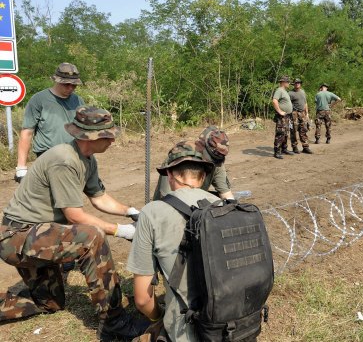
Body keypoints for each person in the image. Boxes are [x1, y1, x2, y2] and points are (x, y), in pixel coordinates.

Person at [0, 106, 148, 341]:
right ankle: (114, 320)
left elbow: (98, 197)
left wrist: (130, 212)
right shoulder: (64, 160)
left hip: (40, 236)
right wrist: (121, 231)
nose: (112, 140)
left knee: (51, 304)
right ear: (90, 138)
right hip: (18, 237)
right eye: (107, 135)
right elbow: (75, 216)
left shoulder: (86, 158)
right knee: (91, 237)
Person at [127, 141, 219, 342]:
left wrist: (159, 318)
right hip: (232, 321)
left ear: (169, 175)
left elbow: (142, 300)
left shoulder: (152, 212)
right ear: (203, 177)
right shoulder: (223, 206)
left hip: (188, 331)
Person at [15, 62, 85, 183]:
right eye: (67, 84)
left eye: (74, 85)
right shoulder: (39, 99)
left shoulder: (78, 100)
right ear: (57, 80)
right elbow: (27, 132)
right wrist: (21, 168)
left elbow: (83, 128)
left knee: (70, 191)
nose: (70, 88)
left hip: (73, 153)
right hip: (48, 153)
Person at [153, 125, 234, 200]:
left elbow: (226, 194)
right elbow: (168, 197)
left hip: (195, 204)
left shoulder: (217, 162)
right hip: (171, 202)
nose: (212, 162)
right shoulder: (181, 156)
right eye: (209, 158)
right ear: (201, 146)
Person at [288, 78, 313, 154]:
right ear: (294, 84)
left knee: (303, 130)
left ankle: (305, 147)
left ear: (300, 84)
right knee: (293, 131)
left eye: (299, 83)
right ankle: (294, 147)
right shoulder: (290, 93)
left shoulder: (303, 92)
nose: (297, 84)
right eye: (296, 83)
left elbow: (305, 103)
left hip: (302, 114)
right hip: (294, 114)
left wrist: (307, 113)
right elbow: (287, 104)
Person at [272, 76, 294, 159]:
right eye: (287, 82)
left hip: (287, 116)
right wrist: (279, 111)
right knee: (280, 132)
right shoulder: (279, 90)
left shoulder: (284, 91)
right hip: (282, 116)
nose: (289, 83)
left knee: (285, 133)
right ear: (283, 82)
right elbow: (274, 101)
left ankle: (284, 149)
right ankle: (277, 151)